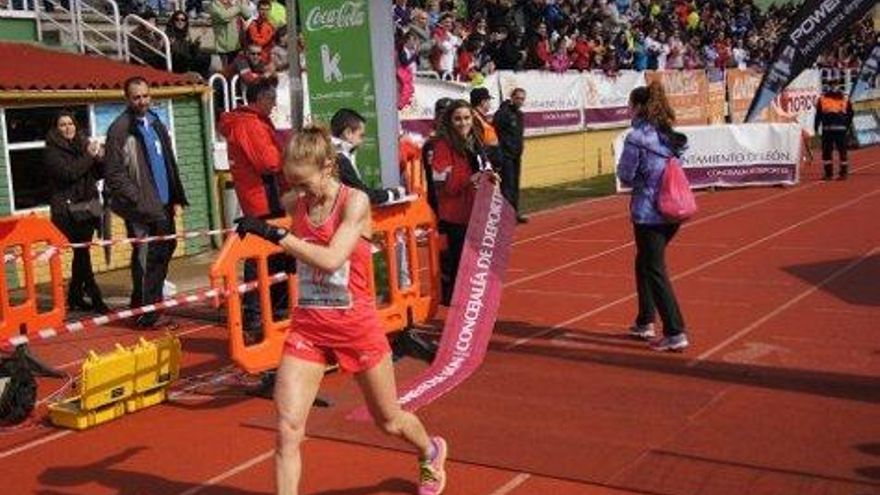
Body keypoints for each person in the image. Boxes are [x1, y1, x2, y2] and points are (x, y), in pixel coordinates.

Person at [234, 126, 448, 495]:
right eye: (293, 184)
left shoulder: (354, 203)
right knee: (287, 429)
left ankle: (430, 451)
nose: (299, 193)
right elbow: (283, 214)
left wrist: (275, 235)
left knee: (389, 420)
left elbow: (332, 259)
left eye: (304, 183)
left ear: (328, 167)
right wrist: (258, 224)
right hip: (309, 330)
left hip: (356, 327)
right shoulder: (294, 203)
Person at [104, 77, 188, 328]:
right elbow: (114, 173)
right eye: (136, 97)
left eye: (145, 96)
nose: (142, 101)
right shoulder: (120, 129)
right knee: (147, 257)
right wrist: (137, 199)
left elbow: (167, 161)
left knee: (165, 250)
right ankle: (146, 313)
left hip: (163, 202)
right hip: (141, 207)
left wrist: (174, 195)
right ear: (127, 99)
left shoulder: (155, 121)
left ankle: (146, 303)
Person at [616, 82, 689, 352]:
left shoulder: (636, 138)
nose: (628, 109)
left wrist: (637, 178)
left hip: (649, 213)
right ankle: (645, 320)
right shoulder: (669, 135)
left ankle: (675, 330)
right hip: (673, 210)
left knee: (655, 268)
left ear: (637, 107)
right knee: (644, 261)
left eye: (630, 105)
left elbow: (625, 174)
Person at [219, 78, 289, 338]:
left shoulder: (251, 122)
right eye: (271, 98)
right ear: (258, 98)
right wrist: (292, 156)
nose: (274, 104)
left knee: (274, 254)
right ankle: (255, 312)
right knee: (261, 255)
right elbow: (268, 162)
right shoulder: (249, 124)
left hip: (264, 197)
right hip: (262, 199)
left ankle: (269, 307)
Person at [44, 110, 110, 315]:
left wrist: (99, 157)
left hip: (88, 207)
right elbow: (70, 173)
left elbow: (98, 173)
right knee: (82, 254)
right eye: (62, 125)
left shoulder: (83, 144)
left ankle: (74, 296)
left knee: (82, 254)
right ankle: (96, 298)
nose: (67, 128)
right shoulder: (51, 152)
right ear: (56, 129)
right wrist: (89, 157)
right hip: (67, 212)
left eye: (70, 124)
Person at [432, 100, 496, 305]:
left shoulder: (474, 140)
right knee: (458, 260)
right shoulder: (442, 145)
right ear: (450, 121)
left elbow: (483, 167)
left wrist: (490, 176)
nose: (463, 122)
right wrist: (470, 179)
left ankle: (468, 297)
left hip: (475, 210)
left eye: (467, 118)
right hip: (454, 214)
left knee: (474, 259)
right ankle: (458, 302)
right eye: (457, 118)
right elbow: (442, 185)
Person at [330, 108, 407, 205]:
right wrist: (392, 194)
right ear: (348, 133)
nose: (362, 142)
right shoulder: (340, 159)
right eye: (361, 136)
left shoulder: (327, 153)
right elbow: (362, 195)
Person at [493, 87, 527, 223]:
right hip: (505, 156)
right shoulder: (502, 113)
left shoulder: (520, 115)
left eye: (522, 99)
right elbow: (495, 132)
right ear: (512, 98)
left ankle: (514, 213)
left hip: (516, 155)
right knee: (507, 186)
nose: (520, 101)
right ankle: (506, 216)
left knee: (515, 185)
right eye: (518, 98)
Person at [815, 78, 854, 181]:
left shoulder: (845, 98)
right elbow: (818, 114)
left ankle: (843, 173)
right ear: (828, 85)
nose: (833, 86)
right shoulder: (822, 98)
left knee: (842, 152)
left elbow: (850, 114)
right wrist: (816, 126)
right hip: (827, 130)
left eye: (835, 84)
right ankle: (828, 174)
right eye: (831, 84)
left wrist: (847, 125)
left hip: (840, 130)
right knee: (827, 152)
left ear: (838, 85)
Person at [210, 0, 255, 67]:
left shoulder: (234, 4)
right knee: (227, 71)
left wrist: (241, 2)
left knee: (238, 69)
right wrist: (238, 7)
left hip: (237, 45)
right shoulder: (214, 5)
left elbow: (248, 15)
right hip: (224, 47)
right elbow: (224, 16)